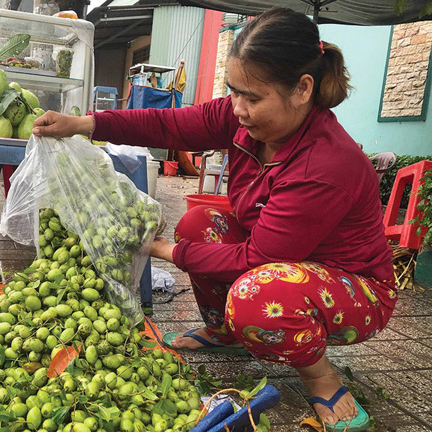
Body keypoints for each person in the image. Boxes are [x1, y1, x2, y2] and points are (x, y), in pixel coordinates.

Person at [32, 8, 396, 431]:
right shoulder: (241, 120)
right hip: (284, 261)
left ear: (302, 89)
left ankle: (321, 377)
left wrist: (158, 249)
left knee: (256, 295)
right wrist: (85, 123)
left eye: (253, 98)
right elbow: (170, 125)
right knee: (197, 224)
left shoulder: (326, 164)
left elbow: (257, 259)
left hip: (353, 288)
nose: (237, 107)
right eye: (233, 91)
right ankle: (226, 333)